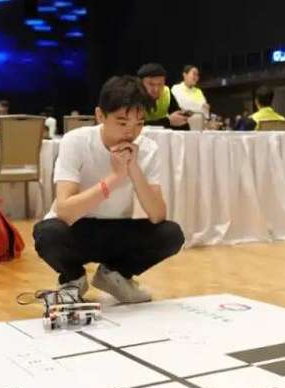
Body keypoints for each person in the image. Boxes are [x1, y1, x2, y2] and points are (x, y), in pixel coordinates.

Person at [32, 76, 184, 304]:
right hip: (77, 227)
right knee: (47, 233)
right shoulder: (76, 141)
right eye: (122, 123)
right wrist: (115, 177)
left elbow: (157, 214)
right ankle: (73, 279)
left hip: (117, 229)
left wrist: (133, 168)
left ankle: (115, 275)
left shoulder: (147, 149)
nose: (130, 133)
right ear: (100, 115)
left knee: (171, 234)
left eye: (139, 123)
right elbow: (64, 211)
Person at [137, 63, 189, 129]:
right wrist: (167, 121)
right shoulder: (133, 96)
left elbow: (179, 120)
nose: (156, 89)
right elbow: (135, 125)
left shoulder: (166, 92)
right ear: (140, 84)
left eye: (160, 84)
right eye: (151, 84)